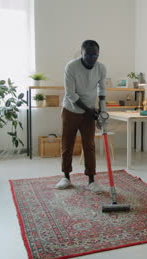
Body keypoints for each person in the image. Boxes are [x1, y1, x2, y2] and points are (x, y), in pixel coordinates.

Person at [55, 40, 106, 193]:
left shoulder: (101, 68)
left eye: (94, 55)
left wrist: (101, 112)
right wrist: (89, 110)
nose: (91, 58)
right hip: (71, 110)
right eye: (87, 55)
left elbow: (102, 91)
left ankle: (91, 180)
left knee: (89, 146)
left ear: (98, 54)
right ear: (82, 53)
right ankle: (66, 177)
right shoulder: (71, 67)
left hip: (89, 111)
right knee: (67, 144)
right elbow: (70, 93)